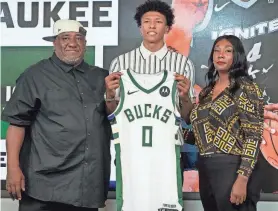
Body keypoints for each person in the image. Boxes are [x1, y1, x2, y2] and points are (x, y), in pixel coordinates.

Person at [1, 19, 111, 211]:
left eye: (79, 38)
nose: (72, 43)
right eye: (65, 37)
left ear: (85, 44)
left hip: (86, 186)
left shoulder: (102, 77)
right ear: (54, 42)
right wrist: (12, 168)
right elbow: (17, 124)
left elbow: (114, 118)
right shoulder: (35, 75)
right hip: (43, 186)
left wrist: (111, 98)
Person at [190, 35, 264, 211]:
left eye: (228, 51)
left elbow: (253, 136)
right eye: (217, 50)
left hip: (233, 167)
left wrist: (242, 178)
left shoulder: (245, 88)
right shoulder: (206, 93)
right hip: (206, 166)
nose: (220, 55)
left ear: (236, 56)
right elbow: (200, 135)